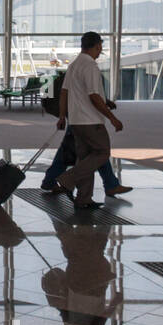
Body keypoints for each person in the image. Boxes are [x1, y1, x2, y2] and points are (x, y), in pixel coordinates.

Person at [54, 32, 122, 210]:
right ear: (97, 45)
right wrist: (112, 118)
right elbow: (93, 96)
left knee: (85, 158)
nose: (100, 51)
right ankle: (68, 178)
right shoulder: (90, 66)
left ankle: (84, 197)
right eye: (100, 47)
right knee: (102, 153)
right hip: (91, 121)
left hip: (76, 121)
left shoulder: (75, 65)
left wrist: (62, 116)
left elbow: (65, 92)